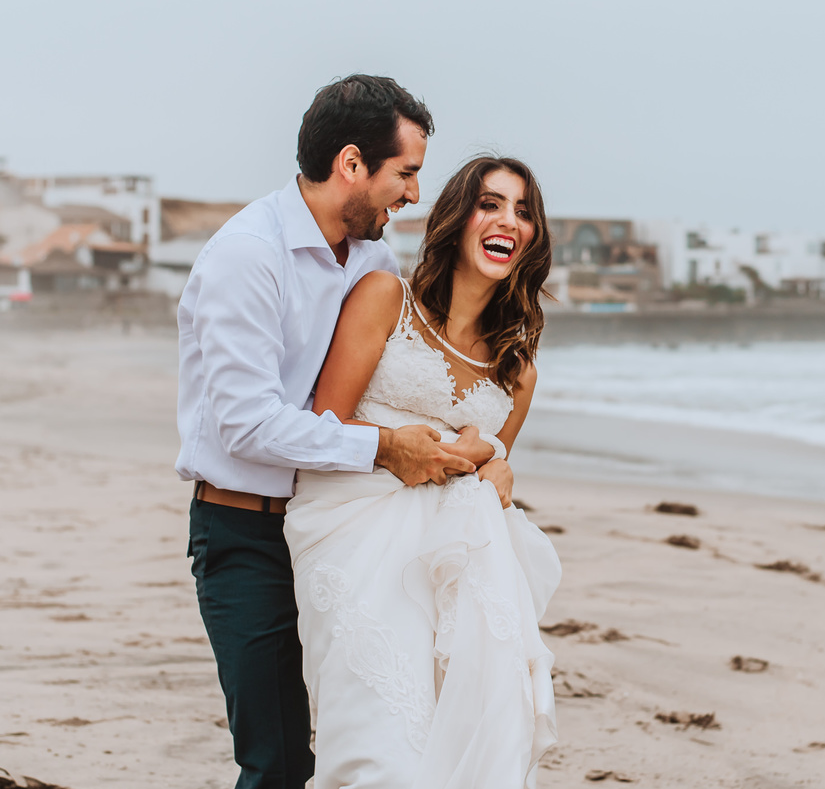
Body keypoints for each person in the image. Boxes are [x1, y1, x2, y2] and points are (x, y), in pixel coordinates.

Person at [175, 75, 492, 789]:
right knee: (279, 757)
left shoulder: (374, 260)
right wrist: (383, 448)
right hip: (246, 536)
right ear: (352, 164)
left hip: (349, 532)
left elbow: (404, 379)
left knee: (373, 731)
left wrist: (486, 447)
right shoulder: (246, 256)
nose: (413, 194)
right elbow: (248, 424)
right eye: (405, 173)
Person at [283, 156, 561, 788]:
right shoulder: (386, 299)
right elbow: (322, 425)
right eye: (490, 204)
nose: (508, 221)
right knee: (382, 752)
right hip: (355, 539)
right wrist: (416, 448)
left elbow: (486, 477)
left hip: (454, 567)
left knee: (460, 745)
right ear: (457, 219)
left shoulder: (518, 373)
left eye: (524, 211)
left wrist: (495, 462)